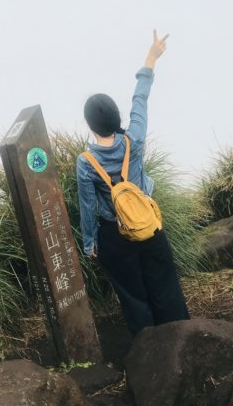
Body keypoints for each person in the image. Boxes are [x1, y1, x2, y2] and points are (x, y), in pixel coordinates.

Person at [76, 30, 190, 335]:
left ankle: (148, 356)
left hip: (114, 235)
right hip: (147, 225)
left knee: (134, 299)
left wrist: (90, 244)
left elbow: (87, 206)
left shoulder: (86, 162)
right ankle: (181, 344)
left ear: (90, 125)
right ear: (116, 118)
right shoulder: (134, 140)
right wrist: (152, 57)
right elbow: (140, 98)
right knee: (165, 289)